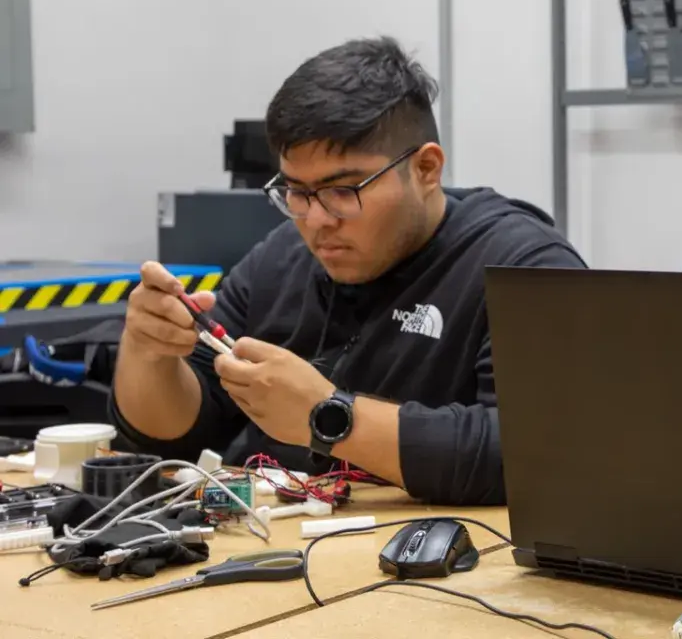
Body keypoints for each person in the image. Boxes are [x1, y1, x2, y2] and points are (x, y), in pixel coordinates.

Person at [110, 36, 586, 505]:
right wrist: (148, 352)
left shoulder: (521, 266)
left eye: (343, 190)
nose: (316, 221)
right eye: (296, 191)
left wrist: (330, 418)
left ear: (425, 169)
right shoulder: (282, 257)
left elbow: (543, 453)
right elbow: (170, 439)